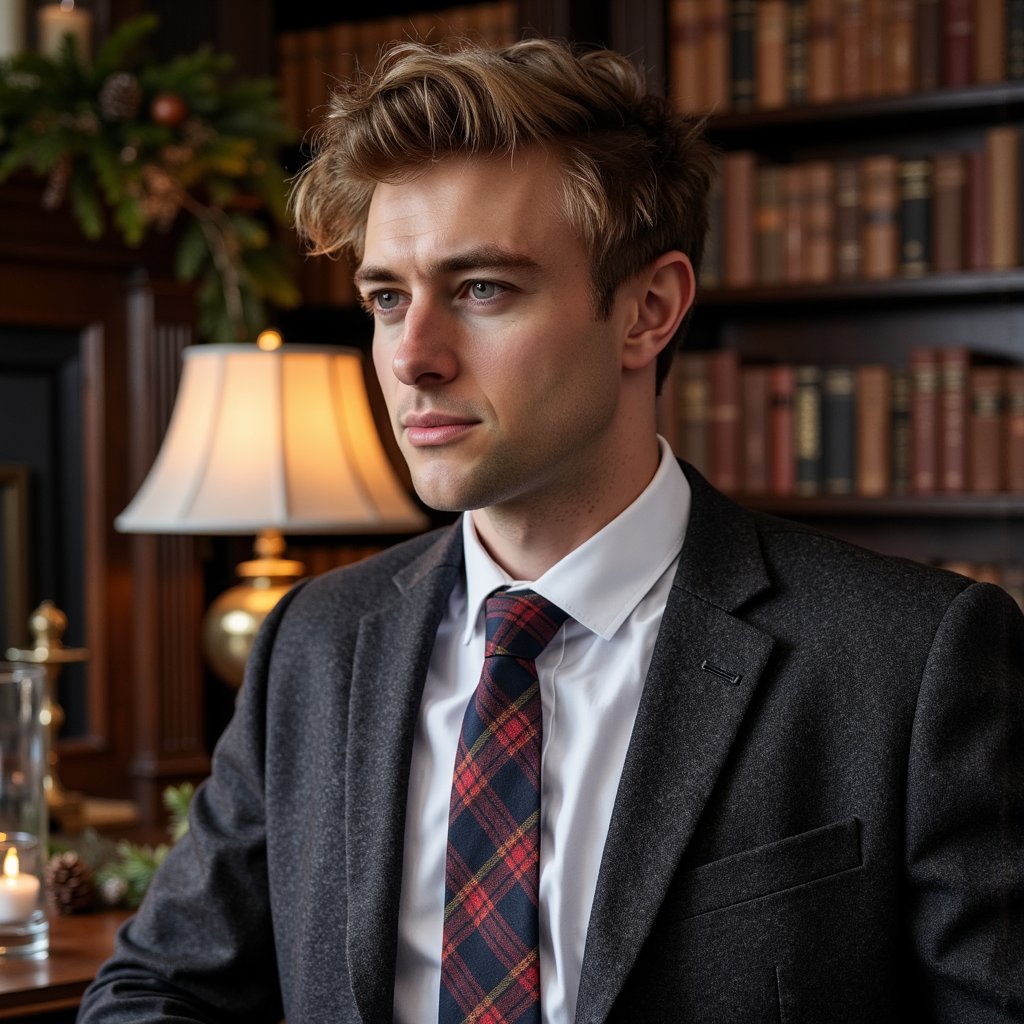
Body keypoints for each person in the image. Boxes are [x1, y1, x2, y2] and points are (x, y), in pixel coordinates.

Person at [79, 36, 1023, 1024]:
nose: (414, 357)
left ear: (645, 311)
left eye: (482, 289)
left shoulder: (910, 659)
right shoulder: (316, 641)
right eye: (386, 297)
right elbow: (156, 990)